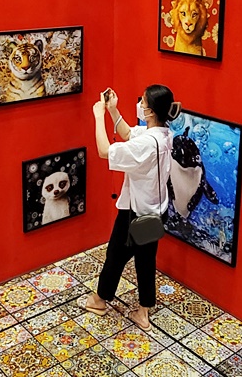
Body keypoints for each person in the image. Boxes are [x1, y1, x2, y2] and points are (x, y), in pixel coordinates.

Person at [86, 84, 180, 330]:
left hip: (134, 213)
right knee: (146, 261)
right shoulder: (163, 135)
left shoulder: (147, 144)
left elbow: (104, 151)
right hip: (155, 210)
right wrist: (112, 111)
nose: (140, 105)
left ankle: (99, 300)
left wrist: (98, 116)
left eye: (143, 102)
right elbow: (128, 134)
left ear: (150, 111)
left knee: (115, 255)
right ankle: (144, 311)